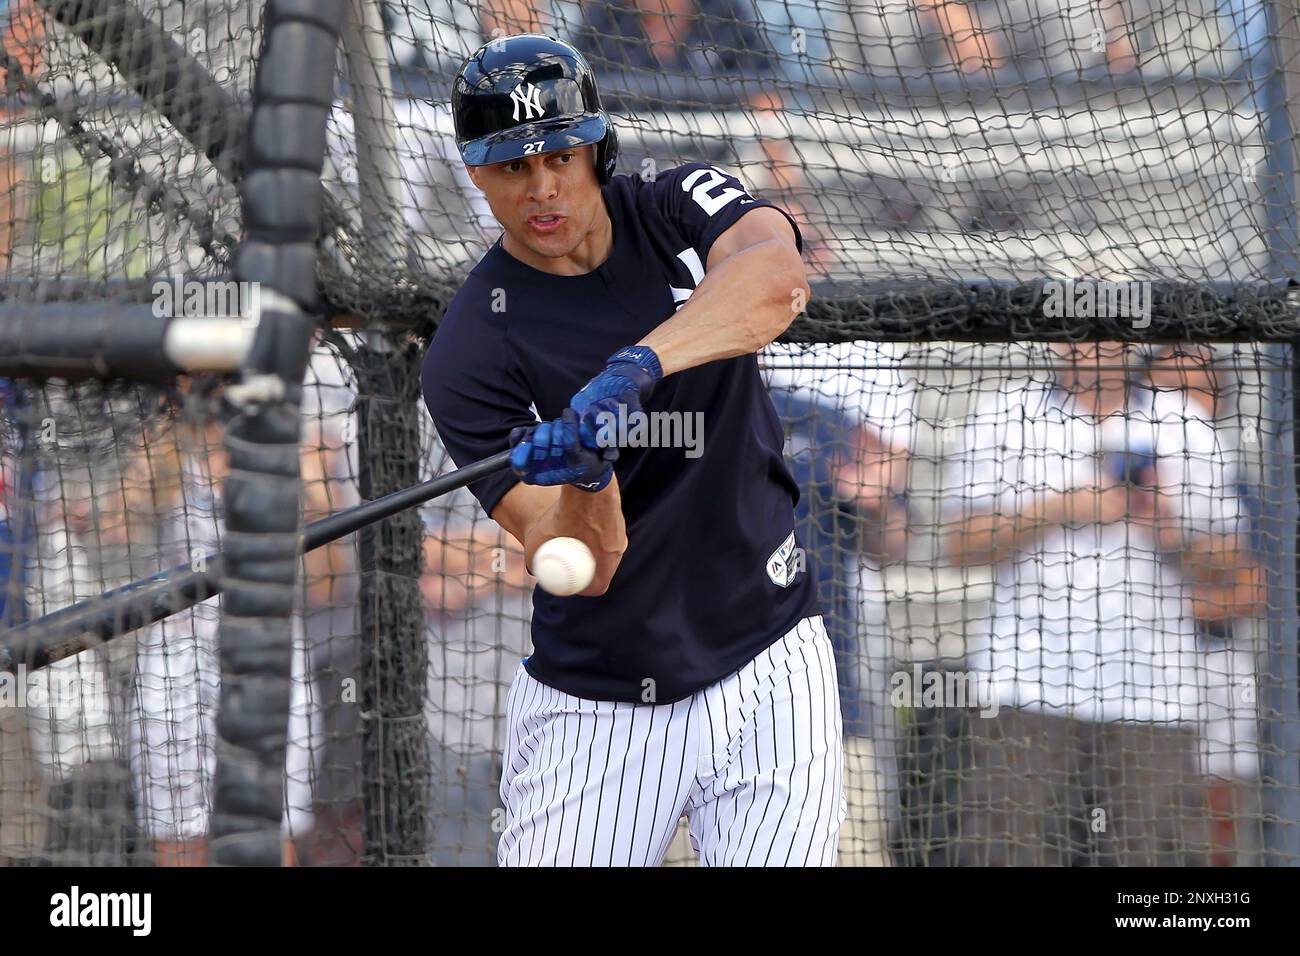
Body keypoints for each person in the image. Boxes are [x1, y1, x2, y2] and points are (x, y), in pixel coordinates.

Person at [422, 34, 842, 866]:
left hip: (770, 655)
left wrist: (641, 364)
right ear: (476, 174)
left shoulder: (678, 205)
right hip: (603, 697)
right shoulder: (470, 354)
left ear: (597, 148)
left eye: (561, 157)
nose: (542, 188)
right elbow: (581, 563)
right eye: (512, 168)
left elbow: (778, 278)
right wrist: (588, 476)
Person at [940, 341, 1247, 865]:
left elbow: (1231, 563)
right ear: (1056, 340)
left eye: (1109, 332)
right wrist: (1060, 508)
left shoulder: (1184, 423)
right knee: (1009, 850)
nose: (1093, 347)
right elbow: (958, 545)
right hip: (1025, 685)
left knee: (1151, 861)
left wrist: (1165, 525)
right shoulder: (1004, 414)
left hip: (1155, 694)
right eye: (1078, 331)